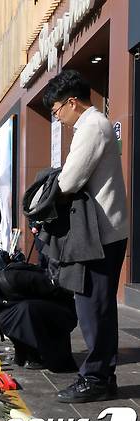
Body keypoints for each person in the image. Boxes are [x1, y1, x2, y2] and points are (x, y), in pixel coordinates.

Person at [42, 69, 128, 403]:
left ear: (72, 102)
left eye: (57, 111)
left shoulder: (91, 126)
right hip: (103, 231)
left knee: (94, 307)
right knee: (97, 305)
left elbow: (69, 181)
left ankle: (96, 378)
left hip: (100, 234)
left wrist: (46, 195)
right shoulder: (93, 125)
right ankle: (101, 375)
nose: (58, 118)